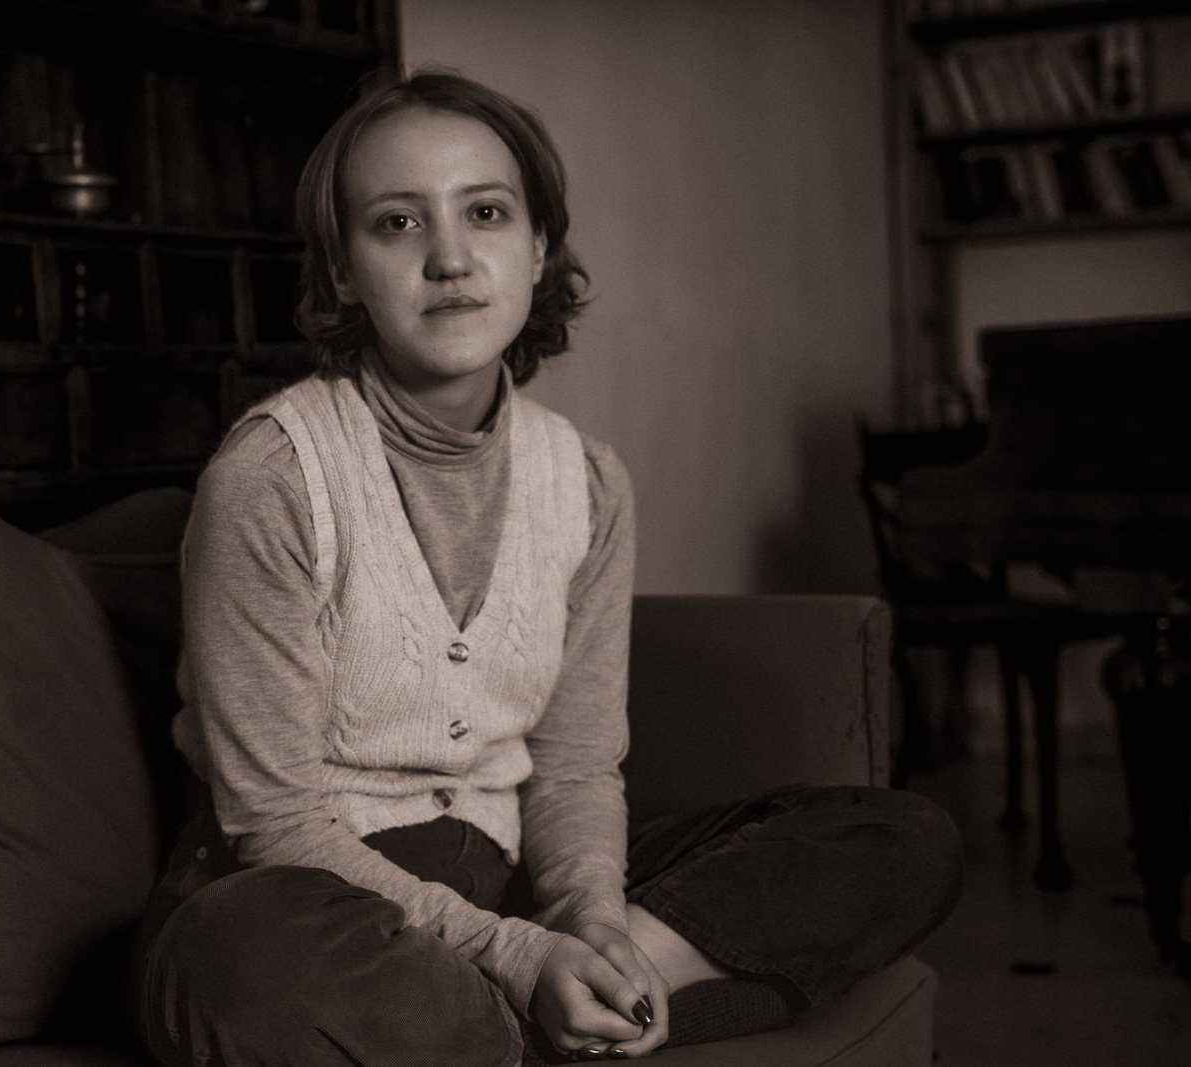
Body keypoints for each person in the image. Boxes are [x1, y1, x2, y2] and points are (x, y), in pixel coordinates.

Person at [135, 69, 963, 1065]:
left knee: (900, 838)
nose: (448, 257)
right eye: (396, 224)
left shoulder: (586, 481)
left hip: (508, 872)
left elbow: (572, 762)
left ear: (535, 248)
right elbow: (272, 823)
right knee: (236, 959)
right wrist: (523, 956)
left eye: (485, 212)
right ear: (343, 271)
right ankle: (563, 1017)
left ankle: (558, 1011)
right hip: (314, 897)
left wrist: (593, 922)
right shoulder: (269, 476)